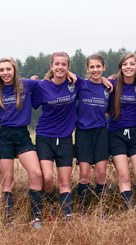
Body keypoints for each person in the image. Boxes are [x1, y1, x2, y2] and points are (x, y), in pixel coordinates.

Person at [0, 57, 43, 225]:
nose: (5, 73)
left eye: (8, 69)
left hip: (22, 135)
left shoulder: (26, 84)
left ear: (14, 70)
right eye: (2, 70)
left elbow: (50, 80)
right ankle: (8, 218)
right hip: (2, 135)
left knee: (36, 173)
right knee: (7, 180)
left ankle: (36, 216)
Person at [31, 52, 81, 219]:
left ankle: (67, 216)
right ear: (51, 66)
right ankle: (49, 207)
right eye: (57, 64)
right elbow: (29, 101)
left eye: (64, 64)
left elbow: (96, 81)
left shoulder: (75, 83)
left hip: (66, 137)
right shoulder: (42, 86)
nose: (60, 67)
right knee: (47, 177)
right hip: (45, 136)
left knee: (65, 182)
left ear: (68, 67)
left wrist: (104, 80)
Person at [107, 53, 136, 216]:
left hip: (135, 134)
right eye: (125, 64)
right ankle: (131, 212)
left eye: (132, 64)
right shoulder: (112, 83)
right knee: (124, 176)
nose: (128, 67)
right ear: (121, 67)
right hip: (115, 134)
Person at [74, 54, 109, 213]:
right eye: (92, 67)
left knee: (101, 172)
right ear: (87, 69)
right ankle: (82, 209)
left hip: (101, 132)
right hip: (83, 133)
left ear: (103, 68)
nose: (95, 70)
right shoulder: (81, 84)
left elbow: (118, 78)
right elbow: (68, 73)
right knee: (84, 173)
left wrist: (107, 79)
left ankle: (101, 209)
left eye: (98, 67)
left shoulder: (108, 87)